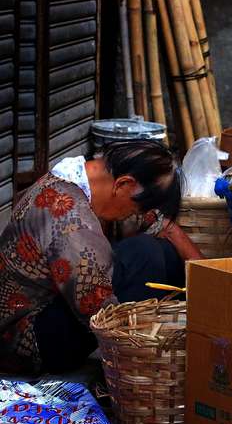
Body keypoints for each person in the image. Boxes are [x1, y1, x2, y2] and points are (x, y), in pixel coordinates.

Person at [0, 140, 202, 374]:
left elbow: (159, 225)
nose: (131, 215)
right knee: (145, 253)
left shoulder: (82, 179)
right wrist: (142, 338)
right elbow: (99, 306)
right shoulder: (72, 221)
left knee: (166, 253)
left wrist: (208, 283)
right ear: (124, 184)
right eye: (135, 209)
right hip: (26, 341)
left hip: (48, 313)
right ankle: (135, 369)